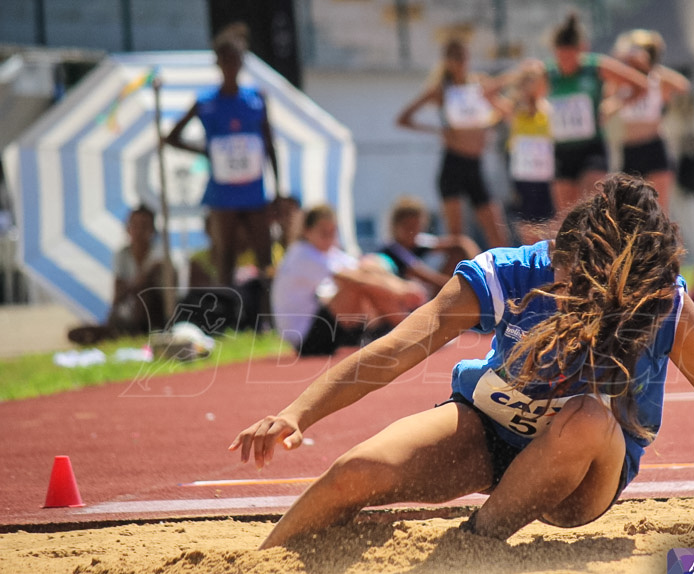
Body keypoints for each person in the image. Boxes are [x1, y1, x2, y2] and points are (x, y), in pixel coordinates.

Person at [230, 174, 694, 550]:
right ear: (561, 249)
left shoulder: (663, 307)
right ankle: (262, 563)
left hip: (579, 473)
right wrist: (297, 412)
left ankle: (474, 543)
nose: (573, 294)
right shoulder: (510, 274)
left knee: (589, 417)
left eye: (593, 290)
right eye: (569, 276)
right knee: (354, 474)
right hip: (486, 431)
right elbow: (395, 348)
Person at [165, 23, 280, 293]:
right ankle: (229, 314)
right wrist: (205, 150)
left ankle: (269, 313)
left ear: (242, 62)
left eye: (235, 60)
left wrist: (278, 189)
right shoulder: (206, 102)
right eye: (225, 60)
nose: (231, 65)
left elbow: (270, 145)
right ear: (217, 62)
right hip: (222, 193)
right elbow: (172, 137)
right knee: (225, 253)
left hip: (254, 190)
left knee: (264, 252)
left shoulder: (257, 99)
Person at [396, 38, 511, 249]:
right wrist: (438, 131)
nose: (459, 62)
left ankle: (504, 279)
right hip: (453, 165)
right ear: (446, 61)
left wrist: (491, 99)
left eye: (463, 56)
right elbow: (403, 118)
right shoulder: (442, 90)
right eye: (454, 57)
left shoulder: (480, 84)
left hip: (476, 166)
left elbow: (507, 111)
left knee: (498, 234)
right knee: (457, 240)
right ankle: (452, 280)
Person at [271, 205, 427, 356]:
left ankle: (403, 328)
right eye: (323, 232)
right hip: (307, 340)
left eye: (332, 232)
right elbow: (353, 278)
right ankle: (412, 331)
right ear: (307, 231)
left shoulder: (326, 252)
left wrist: (399, 284)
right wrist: (399, 290)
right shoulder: (302, 254)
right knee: (356, 284)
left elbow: (364, 265)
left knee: (369, 265)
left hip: (324, 329)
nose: (329, 238)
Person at [541, 14, 649, 213]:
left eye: (570, 57)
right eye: (561, 57)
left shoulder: (594, 67)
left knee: (589, 206)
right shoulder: (549, 73)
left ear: (581, 50)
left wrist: (613, 104)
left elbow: (641, 84)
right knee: (566, 216)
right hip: (561, 151)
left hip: (592, 148)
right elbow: (519, 93)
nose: (565, 63)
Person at [607, 29, 691, 214]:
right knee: (631, 212)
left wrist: (650, 67)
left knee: (660, 211)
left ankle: (666, 243)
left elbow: (683, 86)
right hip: (630, 149)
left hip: (654, 148)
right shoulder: (622, 82)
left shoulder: (657, 79)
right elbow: (607, 101)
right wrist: (626, 66)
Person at [68, 206, 172, 344]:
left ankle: (112, 333)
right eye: (135, 225)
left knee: (145, 294)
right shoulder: (122, 255)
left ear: (152, 230)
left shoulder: (160, 253)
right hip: (130, 312)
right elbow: (118, 294)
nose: (139, 231)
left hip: (155, 313)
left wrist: (134, 286)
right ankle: (114, 331)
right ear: (128, 228)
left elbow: (147, 286)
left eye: (144, 226)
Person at [377, 196, 480, 296]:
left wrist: (478, 267)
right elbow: (425, 276)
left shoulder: (419, 241)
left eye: (416, 226)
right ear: (395, 226)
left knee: (457, 251)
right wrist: (462, 286)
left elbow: (461, 242)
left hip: (420, 293)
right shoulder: (392, 250)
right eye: (407, 226)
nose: (412, 232)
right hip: (398, 296)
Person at [503, 61, 557, 244]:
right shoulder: (514, 111)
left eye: (536, 81)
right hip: (523, 180)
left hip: (545, 179)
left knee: (549, 229)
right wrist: (518, 75)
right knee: (526, 229)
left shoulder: (549, 110)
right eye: (529, 81)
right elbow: (486, 93)